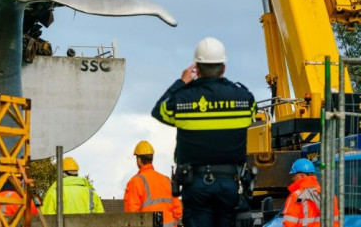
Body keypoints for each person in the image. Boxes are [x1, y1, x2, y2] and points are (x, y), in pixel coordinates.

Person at [151, 37, 256, 227]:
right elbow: (252, 113)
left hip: (196, 184)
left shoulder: (183, 99)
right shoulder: (243, 99)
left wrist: (181, 82)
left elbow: (159, 111)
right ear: (223, 68)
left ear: (197, 69)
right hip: (230, 184)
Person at [124, 140, 182, 226]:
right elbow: (178, 211)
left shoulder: (135, 182)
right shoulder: (166, 180)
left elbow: (131, 215)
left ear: (139, 160)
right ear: (151, 159)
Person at [279, 158, 338, 227]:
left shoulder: (295, 197)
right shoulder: (329, 196)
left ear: (301, 175)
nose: (292, 178)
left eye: (294, 175)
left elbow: (288, 224)